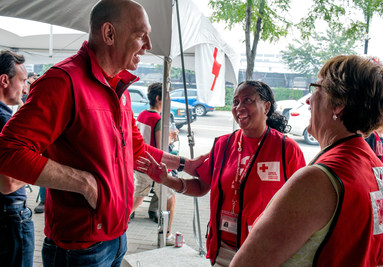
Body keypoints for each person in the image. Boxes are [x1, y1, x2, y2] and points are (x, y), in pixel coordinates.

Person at [0, 1, 202, 266]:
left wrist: (186, 164)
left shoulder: (119, 88)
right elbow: (8, 151)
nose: (148, 46)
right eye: (141, 35)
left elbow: (136, 148)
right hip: (80, 249)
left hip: (117, 238)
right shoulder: (62, 81)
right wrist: (84, 183)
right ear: (109, 33)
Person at [229, 55, 383, 267]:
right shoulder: (381, 173)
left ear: (339, 105)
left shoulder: (317, 181)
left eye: (316, 88)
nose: (309, 100)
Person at [138, 80, 306, 266]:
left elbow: (300, 207)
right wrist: (166, 179)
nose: (239, 107)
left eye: (247, 100)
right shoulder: (223, 145)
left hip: (264, 251)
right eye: (235, 102)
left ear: (266, 107)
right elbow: (202, 186)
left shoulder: (286, 149)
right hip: (221, 249)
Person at [131, 82, 178, 245]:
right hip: (153, 166)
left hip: (140, 164)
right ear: (159, 98)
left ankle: (118, 223)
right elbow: (160, 149)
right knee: (170, 200)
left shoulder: (143, 114)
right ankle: (167, 235)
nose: (169, 100)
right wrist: (171, 138)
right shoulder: (157, 119)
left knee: (138, 198)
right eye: (167, 96)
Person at [0, 50, 34, 267]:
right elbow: (8, 182)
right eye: (22, 81)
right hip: (10, 216)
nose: (24, 88)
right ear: (4, 80)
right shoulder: (4, 121)